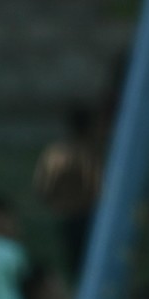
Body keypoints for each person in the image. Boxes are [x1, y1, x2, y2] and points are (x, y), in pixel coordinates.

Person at [31, 104, 105, 280]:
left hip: (70, 212)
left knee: (77, 262)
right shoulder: (94, 152)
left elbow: (44, 186)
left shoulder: (58, 152)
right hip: (90, 213)